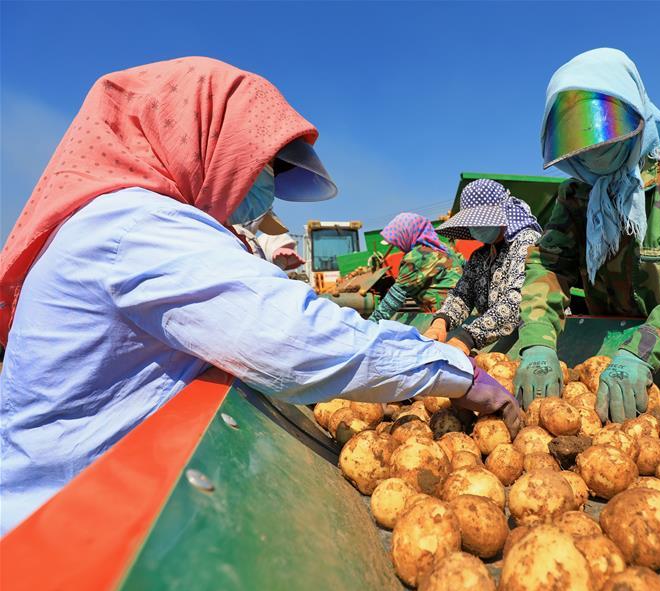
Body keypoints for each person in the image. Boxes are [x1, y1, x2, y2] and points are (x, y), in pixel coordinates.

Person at [0, 58, 520, 534]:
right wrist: (451, 371)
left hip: (95, 500)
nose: (265, 187)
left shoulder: (128, 221)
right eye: (261, 166)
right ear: (201, 142)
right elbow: (293, 337)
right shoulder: (135, 226)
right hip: (56, 525)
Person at [514, 48, 660, 423]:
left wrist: (644, 349)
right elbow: (549, 264)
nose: (594, 145)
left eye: (602, 126)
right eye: (580, 134)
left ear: (635, 110)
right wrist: (538, 342)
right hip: (612, 363)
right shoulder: (578, 196)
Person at [422, 179, 542, 355]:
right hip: (497, 343)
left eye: (482, 221)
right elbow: (462, 295)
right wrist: (441, 322)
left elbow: (518, 301)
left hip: (534, 341)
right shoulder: (480, 256)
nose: (478, 228)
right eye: (474, 223)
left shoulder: (527, 243)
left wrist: (467, 338)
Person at [367, 213, 465, 322]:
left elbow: (395, 297)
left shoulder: (418, 256)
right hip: (461, 312)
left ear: (407, 234)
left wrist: (370, 324)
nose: (398, 247)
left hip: (444, 319)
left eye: (398, 242)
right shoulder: (443, 248)